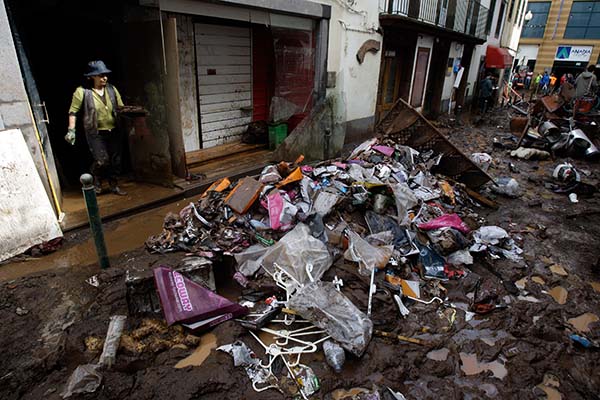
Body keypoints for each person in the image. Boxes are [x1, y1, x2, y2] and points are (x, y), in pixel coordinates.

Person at [66, 60, 126, 195]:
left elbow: (121, 108)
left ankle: (113, 185)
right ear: (91, 76)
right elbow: (73, 112)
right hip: (96, 133)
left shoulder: (111, 89)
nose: (104, 77)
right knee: (102, 161)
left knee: (115, 160)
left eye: (105, 74)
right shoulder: (83, 92)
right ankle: (96, 179)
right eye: (100, 75)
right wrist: (71, 130)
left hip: (114, 130)